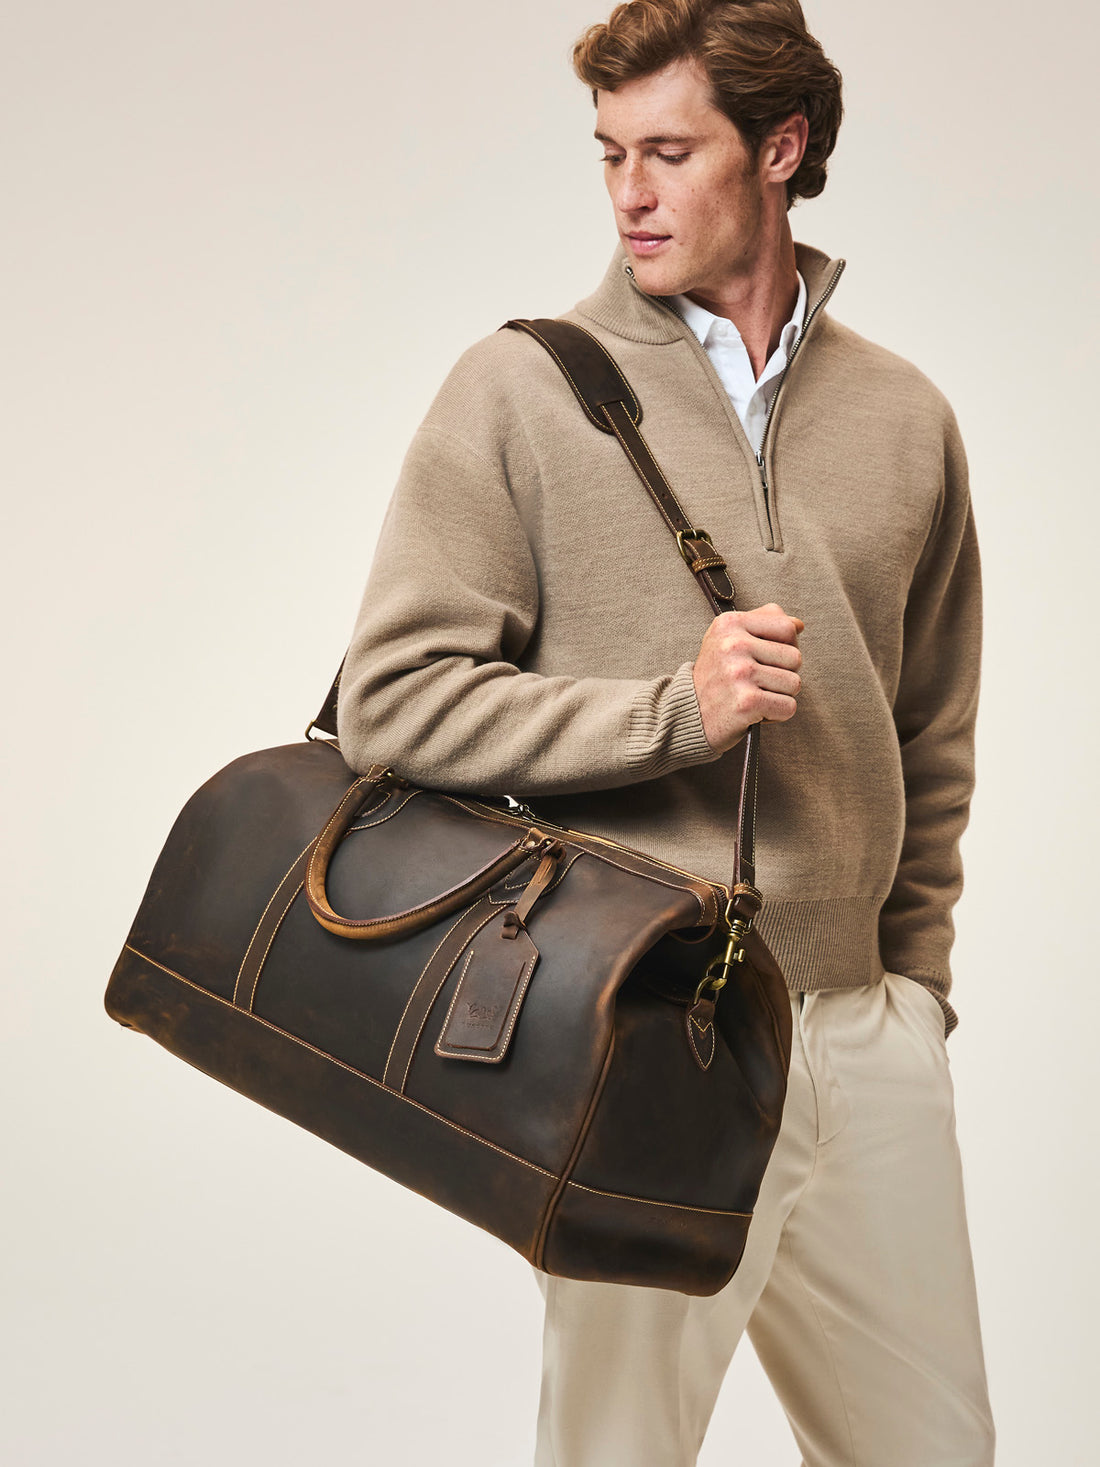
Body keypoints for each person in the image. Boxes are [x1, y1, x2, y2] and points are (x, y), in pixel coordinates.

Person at [335, 1, 996, 1462]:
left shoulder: (906, 418)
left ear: (782, 148)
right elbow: (391, 700)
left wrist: (915, 998)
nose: (630, 192)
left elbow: (931, 736)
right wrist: (673, 712)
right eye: (610, 154)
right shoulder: (521, 391)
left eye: (671, 153)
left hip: (862, 1036)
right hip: (646, 1034)